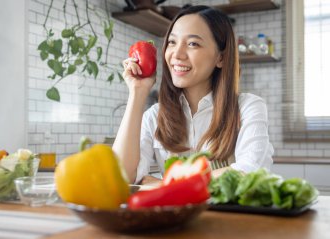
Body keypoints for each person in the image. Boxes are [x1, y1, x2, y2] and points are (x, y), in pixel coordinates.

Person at [113, 5, 273, 185]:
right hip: (178, 214)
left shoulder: (248, 107)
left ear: (220, 58)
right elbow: (121, 178)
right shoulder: (154, 116)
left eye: (193, 44)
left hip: (231, 214)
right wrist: (137, 92)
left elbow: (249, 172)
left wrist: (166, 183)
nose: (177, 54)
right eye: (172, 42)